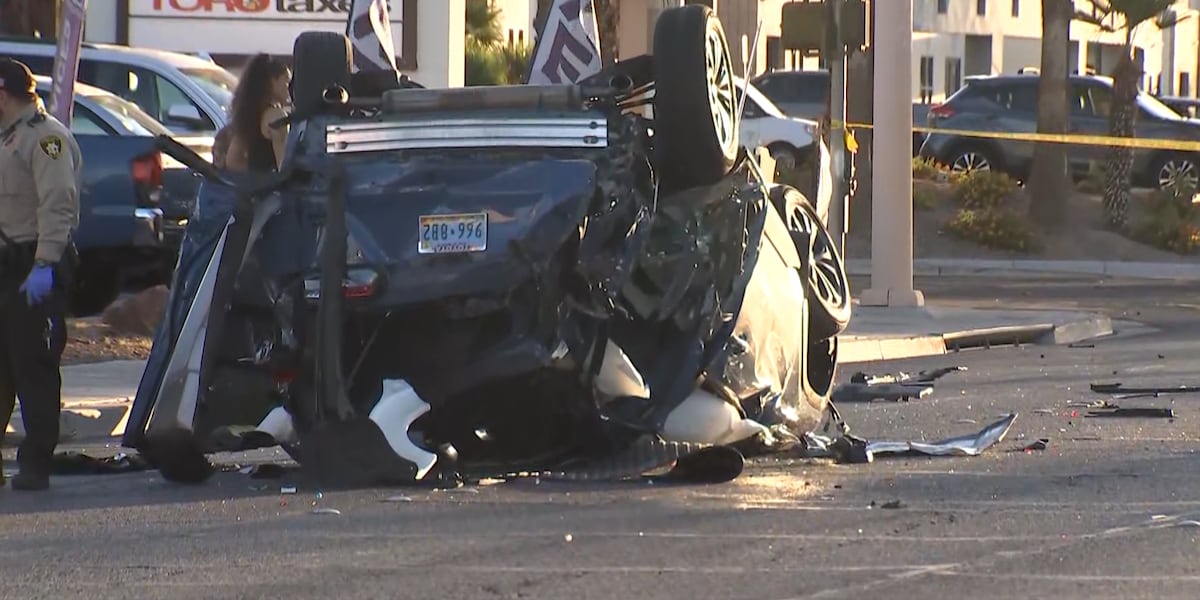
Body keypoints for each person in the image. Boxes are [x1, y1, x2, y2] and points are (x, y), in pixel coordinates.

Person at [0, 58, 81, 491]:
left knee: (32, 365)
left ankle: (35, 462)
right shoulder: (7, 138)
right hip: (5, 265)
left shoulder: (46, 139)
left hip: (33, 264)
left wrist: (45, 262)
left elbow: (58, 204)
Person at [224, 54, 291, 173]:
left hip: (254, 183)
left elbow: (233, 160)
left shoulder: (249, 116)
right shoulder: (277, 117)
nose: (289, 88)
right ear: (272, 81)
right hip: (273, 184)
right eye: (286, 81)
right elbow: (283, 166)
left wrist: (256, 175)